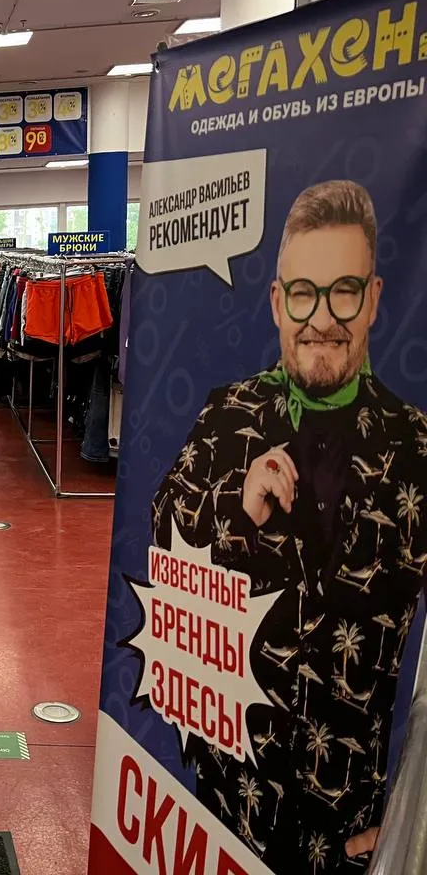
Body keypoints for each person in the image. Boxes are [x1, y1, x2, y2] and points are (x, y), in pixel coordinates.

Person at [151, 180, 427, 872]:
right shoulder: (228, 416)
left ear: (374, 299)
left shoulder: (418, 449)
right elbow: (161, 535)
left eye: (345, 292)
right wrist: (235, 507)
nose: (322, 318)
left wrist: (413, 816)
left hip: (350, 831)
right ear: (278, 302)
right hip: (229, 810)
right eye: (304, 294)